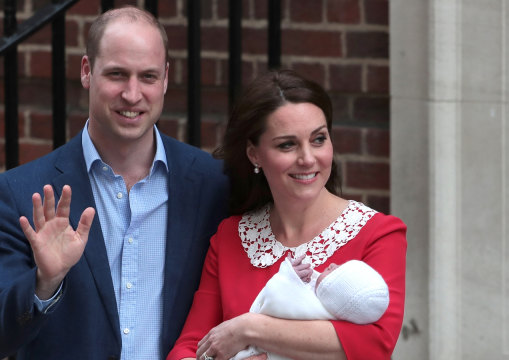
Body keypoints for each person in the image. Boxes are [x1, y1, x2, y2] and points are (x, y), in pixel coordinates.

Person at [0, 6, 229, 360]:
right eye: (117, 74)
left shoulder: (213, 185)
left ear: (165, 78)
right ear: (87, 71)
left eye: (148, 77)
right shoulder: (21, 192)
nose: (132, 94)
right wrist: (44, 283)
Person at [167, 69, 407, 360]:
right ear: (254, 154)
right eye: (287, 144)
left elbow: (376, 343)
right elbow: (187, 348)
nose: (307, 158)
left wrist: (249, 329)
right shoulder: (231, 237)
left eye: (318, 139)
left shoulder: (378, 233)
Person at [232, 256, 390, 360]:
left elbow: (274, 298)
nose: (333, 264)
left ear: (332, 291)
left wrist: (288, 276)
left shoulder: (310, 305)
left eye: (336, 270)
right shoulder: (337, 315)